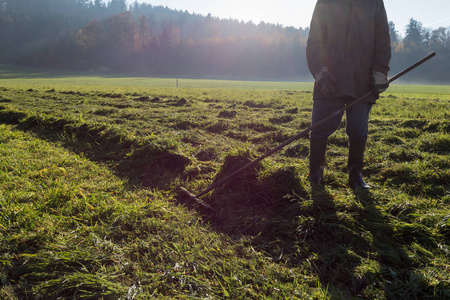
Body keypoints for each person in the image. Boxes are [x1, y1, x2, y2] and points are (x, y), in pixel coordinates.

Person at [306, 0, 391, 189]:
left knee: (359, 129)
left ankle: (356, 176)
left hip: (362, 79)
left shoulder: (374, 2)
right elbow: (314, 41)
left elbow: (382, 40)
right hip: (330, 78)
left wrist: (380, 72)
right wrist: (320, 72)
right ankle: (315, 175)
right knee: (319, 129)